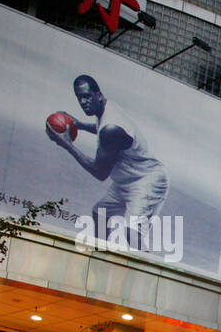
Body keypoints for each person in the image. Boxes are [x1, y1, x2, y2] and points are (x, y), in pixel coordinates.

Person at [45, 74, 169, 250]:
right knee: (100, 214)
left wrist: (67, 145)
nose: (83, 102)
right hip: (126, 179)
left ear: (99, 95)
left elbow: (100, 173)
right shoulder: (105, 110)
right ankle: (101, 255)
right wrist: (80, 125)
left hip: (147, 181)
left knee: (132, 233)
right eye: (79, 97)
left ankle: (147, 273)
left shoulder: (111, 128)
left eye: (87, 96)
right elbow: (102, 129)